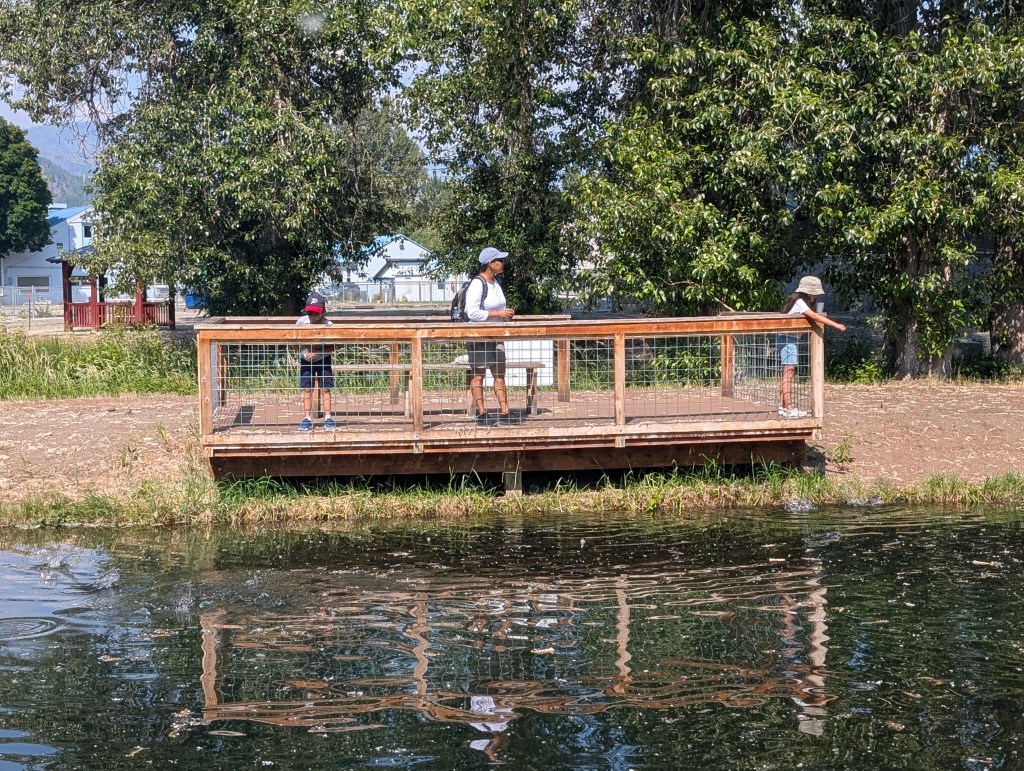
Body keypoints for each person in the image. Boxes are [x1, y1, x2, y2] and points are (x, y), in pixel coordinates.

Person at [778, 276, 846, 418]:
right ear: (808, 293)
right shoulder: (800, 302)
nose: (816, 296)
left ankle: (783, 406)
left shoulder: (798, 301)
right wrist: (835, 325)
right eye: (814, 294)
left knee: (787, 372)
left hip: (788, 338)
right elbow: (814, 316)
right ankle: (789, 408)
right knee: (789, 372)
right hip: (788, 339)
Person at [465, 246, 516, 426]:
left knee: (499, 373)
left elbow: (499, 308)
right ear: (490, 264)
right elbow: (472, 312)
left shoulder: (496, 283)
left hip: (497, 334)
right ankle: (482, 413)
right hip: (479, 335)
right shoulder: (477, 283)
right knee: (479, 374)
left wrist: (505, 315)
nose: (502, 263)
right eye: (499, 260)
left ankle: (505, 411)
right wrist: (498, 314)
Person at [296, 291, 335, 430]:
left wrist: (318, 352)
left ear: (323, 312)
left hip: (323, 360)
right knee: (307, 388)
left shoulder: (328, 324)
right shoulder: (302, 322)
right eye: (309, 313)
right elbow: (294, 342)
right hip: (306, 360)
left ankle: (328, 417)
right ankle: (307, 417)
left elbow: (332, 346)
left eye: (316, 313)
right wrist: (304, 353)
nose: (312, 316)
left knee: (326, 388)